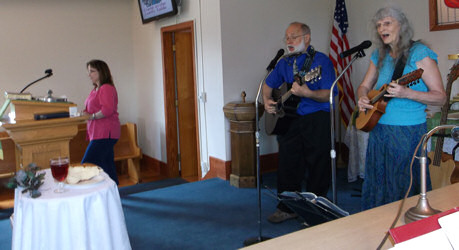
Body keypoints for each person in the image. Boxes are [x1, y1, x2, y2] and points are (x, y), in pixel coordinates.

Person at [357, 6, 446, 210]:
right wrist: (362, 97)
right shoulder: (378, 55)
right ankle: (378, 225)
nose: (381, 29)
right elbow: (364, 86)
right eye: (379, 25)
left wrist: (407, 93)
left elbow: (440, 97)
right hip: (378, 128)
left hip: (407, 132)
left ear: (402, 26)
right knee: (378, 181)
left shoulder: (420, 53)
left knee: (403, 184)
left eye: (387, 23)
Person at [263, 22, 337, 223]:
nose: (289, 41)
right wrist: (267, 101)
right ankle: (287, 207)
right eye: (287, 37)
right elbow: (268, 84)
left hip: (317, 117)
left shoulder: (322, 61)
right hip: (290, 119)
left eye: (294, 37)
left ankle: (316, 209)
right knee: (288, 163)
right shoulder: (284, 63)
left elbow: (329, 95)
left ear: (307, 37)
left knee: (318, 164)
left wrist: (308, 93)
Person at [81, 59, 121, 184]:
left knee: (87, 164)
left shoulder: (106, 88)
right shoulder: (95, 90)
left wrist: (91, 116)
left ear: (101, 72)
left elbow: (107, 110)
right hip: (97, 132)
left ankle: (89, 195)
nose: (89, 75)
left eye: (92, 71)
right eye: (89, 71)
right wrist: (85, 114)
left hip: (105, 133)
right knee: (107, 165)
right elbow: (92, 108)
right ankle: (114, 194)